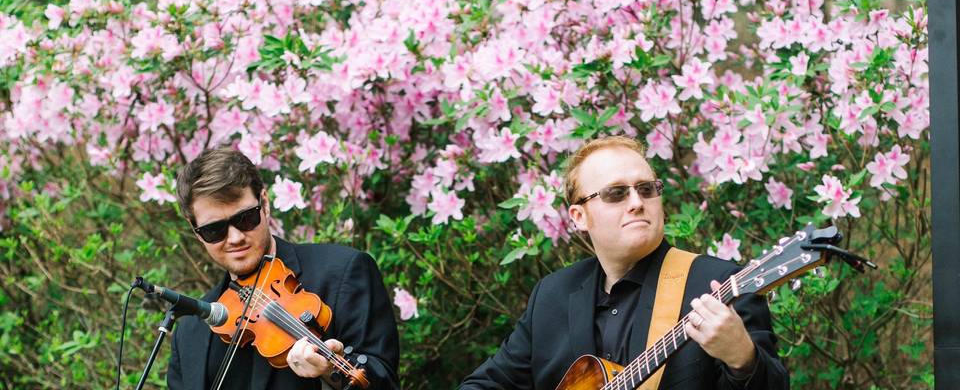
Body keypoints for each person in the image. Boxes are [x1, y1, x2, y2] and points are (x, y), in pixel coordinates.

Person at [459, 136, 789, 390]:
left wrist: (742, 358)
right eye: (616, 193)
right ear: (579, 216)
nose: (636, 202)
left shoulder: (718, 284)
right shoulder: (552, 296)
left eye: (646, 189)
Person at [166, 146, 400, 390]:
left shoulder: (343, 273)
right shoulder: (189, 332)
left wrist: (330, 373)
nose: (235, 238)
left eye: (245, 219)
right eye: (214, 230)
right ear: (196, 232)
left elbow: (384, 383)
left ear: (264, 204)